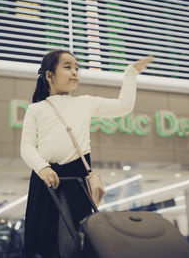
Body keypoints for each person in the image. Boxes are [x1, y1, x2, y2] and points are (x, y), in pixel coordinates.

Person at [20, 49, 153, 258]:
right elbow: (26, 147)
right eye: (67, 67)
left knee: (76, 242)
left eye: (76, 68)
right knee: (45, 243)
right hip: (46, 182)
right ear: (49, 75)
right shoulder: (36, 109)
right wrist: (42, 167)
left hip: (77, 183)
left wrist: (130, 73)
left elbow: (123, 107)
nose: (75, 72)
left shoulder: (85, 102)